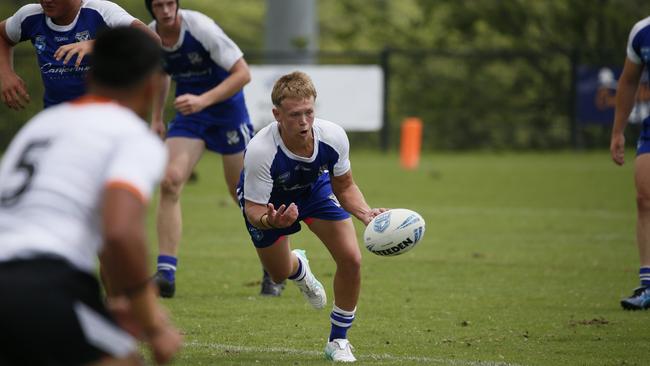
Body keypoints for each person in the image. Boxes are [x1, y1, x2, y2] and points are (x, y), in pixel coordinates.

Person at [0, 27, 181, 365]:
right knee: (126, 360)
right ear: (153, 86)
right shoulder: (130, 135)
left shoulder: (43, 125)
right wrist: (152, 322)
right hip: (41, 282)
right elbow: (120, 232)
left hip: (25, 279)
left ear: (91, 75)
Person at [237, 71, 385, 362]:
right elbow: (253, 209)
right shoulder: (260, 151)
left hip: (315, 190)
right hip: (271, 204)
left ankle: (338, 341)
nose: (304, 122)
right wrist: (271, 221)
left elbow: (344, 186)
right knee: (278, 273)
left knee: (351, 258)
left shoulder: (332, 137)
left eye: (308, 112)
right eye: (294, 115)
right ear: (277, 114)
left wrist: (365, 213)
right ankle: (299, 267)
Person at [145, 0, 284, 298]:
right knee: (170, 181)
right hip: (190, 116)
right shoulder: (149, 36)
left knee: (247, 198)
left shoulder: (200, 28)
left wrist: (203, 100)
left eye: (171, 3)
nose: (166, 10)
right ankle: (166, 273)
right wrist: (156, 117)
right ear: (151, 8)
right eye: (159, 5)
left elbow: (242, 73)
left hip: (228, 115)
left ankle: (276, 269)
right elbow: (160, 74)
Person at [0, 0, 157, 110]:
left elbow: (151, 40)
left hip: (106, 117)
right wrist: (6, 74)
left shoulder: (101, 11)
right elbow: (2, 36)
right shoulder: (30, 16)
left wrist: (97, 44)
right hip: (57, 116)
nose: (46, 0)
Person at [611, 16, 650, 310]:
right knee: (644, 198)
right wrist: (618, 131)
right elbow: (628, 80)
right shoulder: (642, 31)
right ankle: (648, 285)